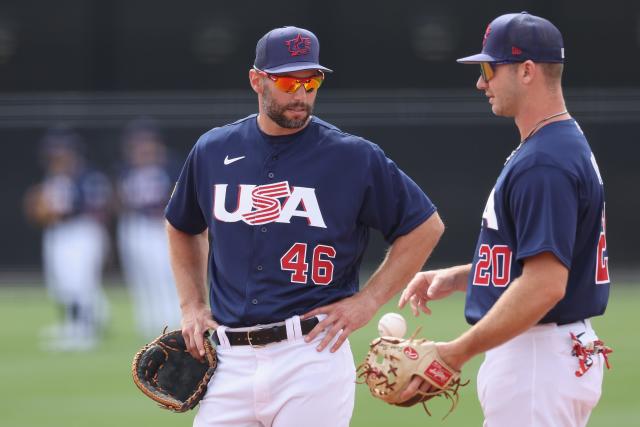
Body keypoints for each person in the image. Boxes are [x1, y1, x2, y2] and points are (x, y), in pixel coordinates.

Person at [165, 26, 444, 427]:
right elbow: (181, 225)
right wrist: (191, 305)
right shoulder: (214, 149)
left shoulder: (352, 157)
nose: (301, 93)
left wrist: (368, 301)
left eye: (311, 81)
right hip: (228, 360)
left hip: (311, 355)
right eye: (287, 81)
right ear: (256, 80)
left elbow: (425, 226)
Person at [398, 12, 611, 427]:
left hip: (537, 357)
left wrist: (455, 352)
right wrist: (466, 276)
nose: (481, 82)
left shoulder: (545, 162)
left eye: (488, 69)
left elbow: (546, 284)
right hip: (545, 354)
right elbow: (544, 258)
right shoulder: (556, 143)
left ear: (527, 70)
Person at [24, 125, 112, 351]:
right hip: (59, 233)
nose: (56, 155)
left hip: (81, 230)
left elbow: (95, 206)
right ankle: (74, 324)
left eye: (61, 151)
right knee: (62, 284)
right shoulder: (52, 177)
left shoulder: (86, 176)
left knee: (80, 281)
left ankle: (86, 328)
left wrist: (58, 210)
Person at [116, 118, 181, 339]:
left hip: (161, 224)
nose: (142, 147)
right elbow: (120, 197)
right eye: (138, 142)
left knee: (166, 272)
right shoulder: (126, 168)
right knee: (140, 274)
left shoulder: (170, 165)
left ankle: (172, 319)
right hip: (136, 223)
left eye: (146, 141)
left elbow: (180, 194)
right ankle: (147, 320)